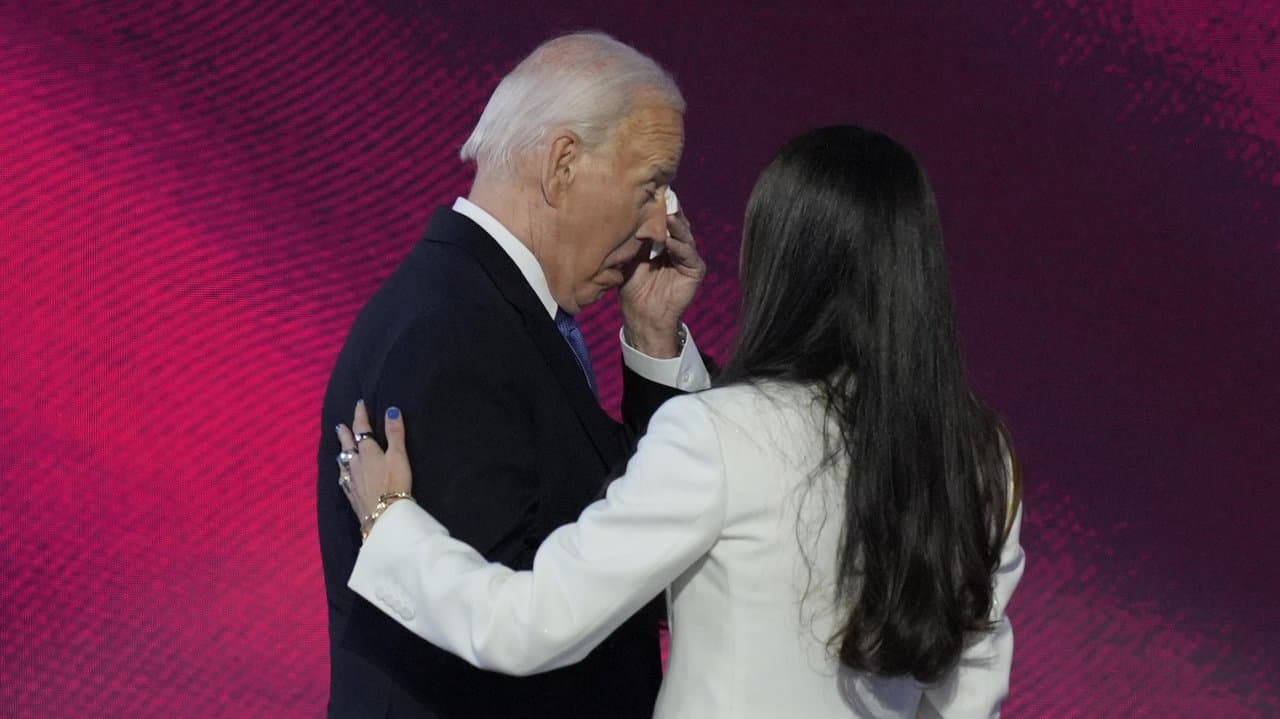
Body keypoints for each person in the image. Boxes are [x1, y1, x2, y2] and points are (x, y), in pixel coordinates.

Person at [334, 125, 1027, 717]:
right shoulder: (980, 458)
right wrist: (659, 340)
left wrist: (393, 521)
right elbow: (970, 697)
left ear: (780, 260)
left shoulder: (719, 436)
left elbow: (531, 623)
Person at [316, 32, 712, 718]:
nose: (661, 225)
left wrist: (652, 342)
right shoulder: (453, 330)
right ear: (561, 164)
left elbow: (630, 532)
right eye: (651, 187)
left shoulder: (496, 314)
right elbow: (512, 617)